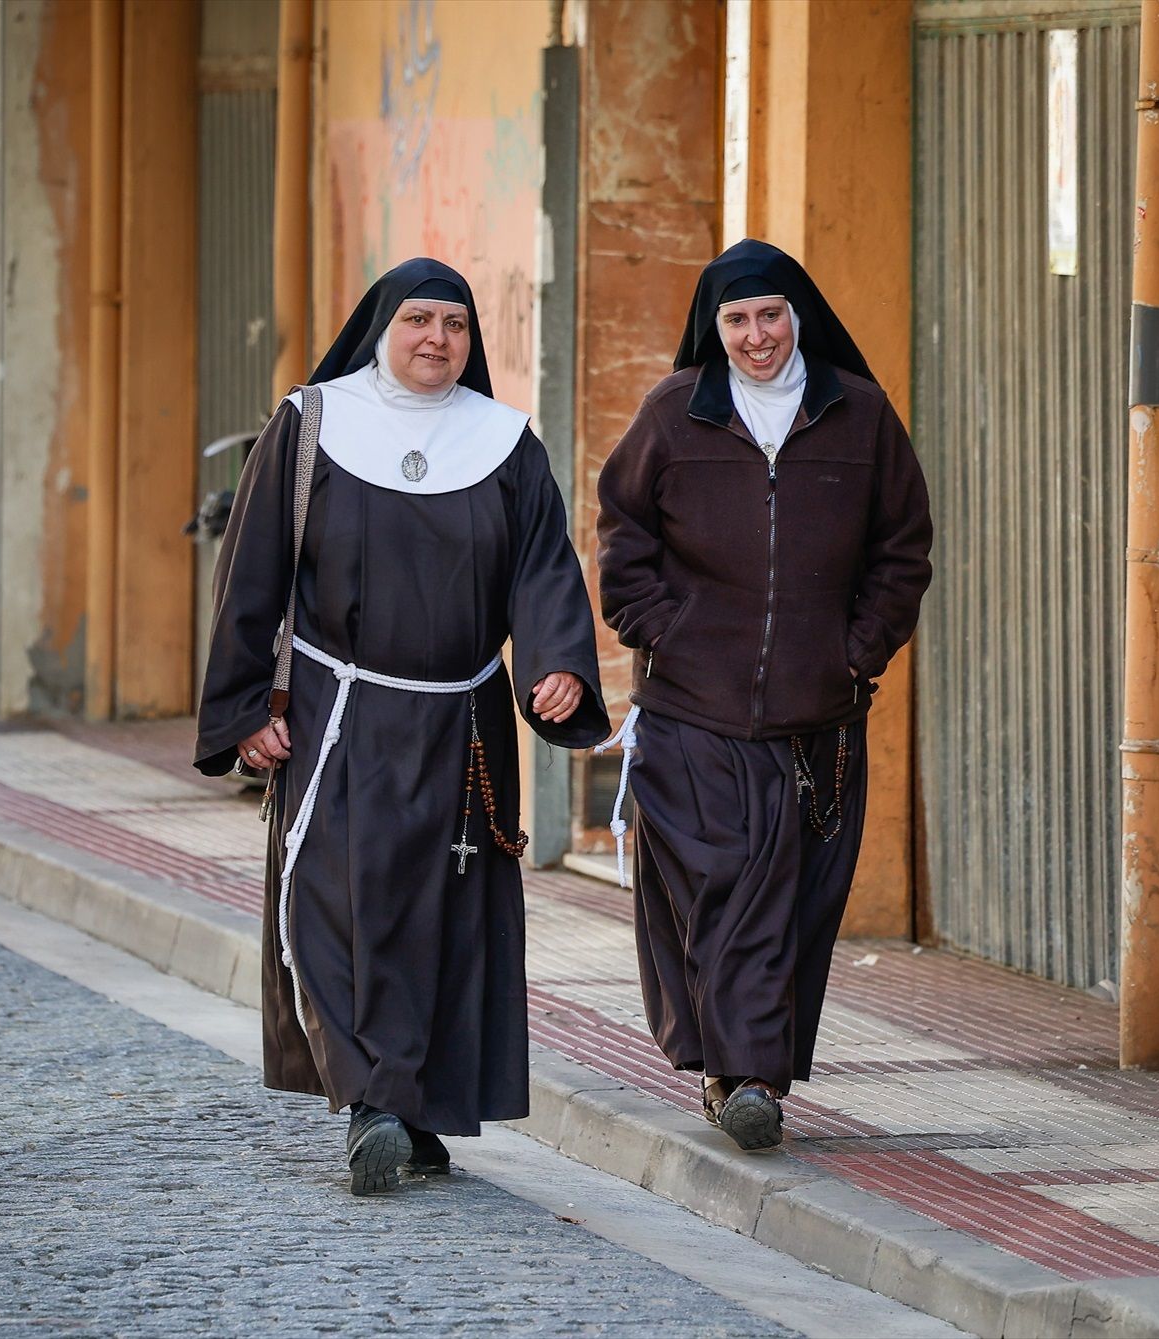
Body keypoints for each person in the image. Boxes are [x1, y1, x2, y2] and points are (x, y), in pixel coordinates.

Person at [195, 258, 610, 1196]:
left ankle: (414, 1111)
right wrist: (243, 707)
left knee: (447, 919)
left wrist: (556, 663)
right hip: (339, 710)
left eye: (455, 324)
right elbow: (250, 576)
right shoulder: (313, 424)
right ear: (382, 328)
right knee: (340, 904)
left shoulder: (503, 442)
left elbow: (544, 567)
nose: (438, 339)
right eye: (419, 320)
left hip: (463, 718)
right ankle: (372, 1102)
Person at [594, 239, 932, 1152]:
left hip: (818, 715)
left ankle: (741, 1070)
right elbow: (622, 534)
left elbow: (903, 548)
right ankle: (745, 1076)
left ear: (798, 318)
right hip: (692, 707)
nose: (755, 336)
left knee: (795, 900)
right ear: (714, 328)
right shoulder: (673, 413)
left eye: (770, 315)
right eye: (736, 319)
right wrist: (662, 629)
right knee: (721, 883)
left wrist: (858, 652)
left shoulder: (859, 415)